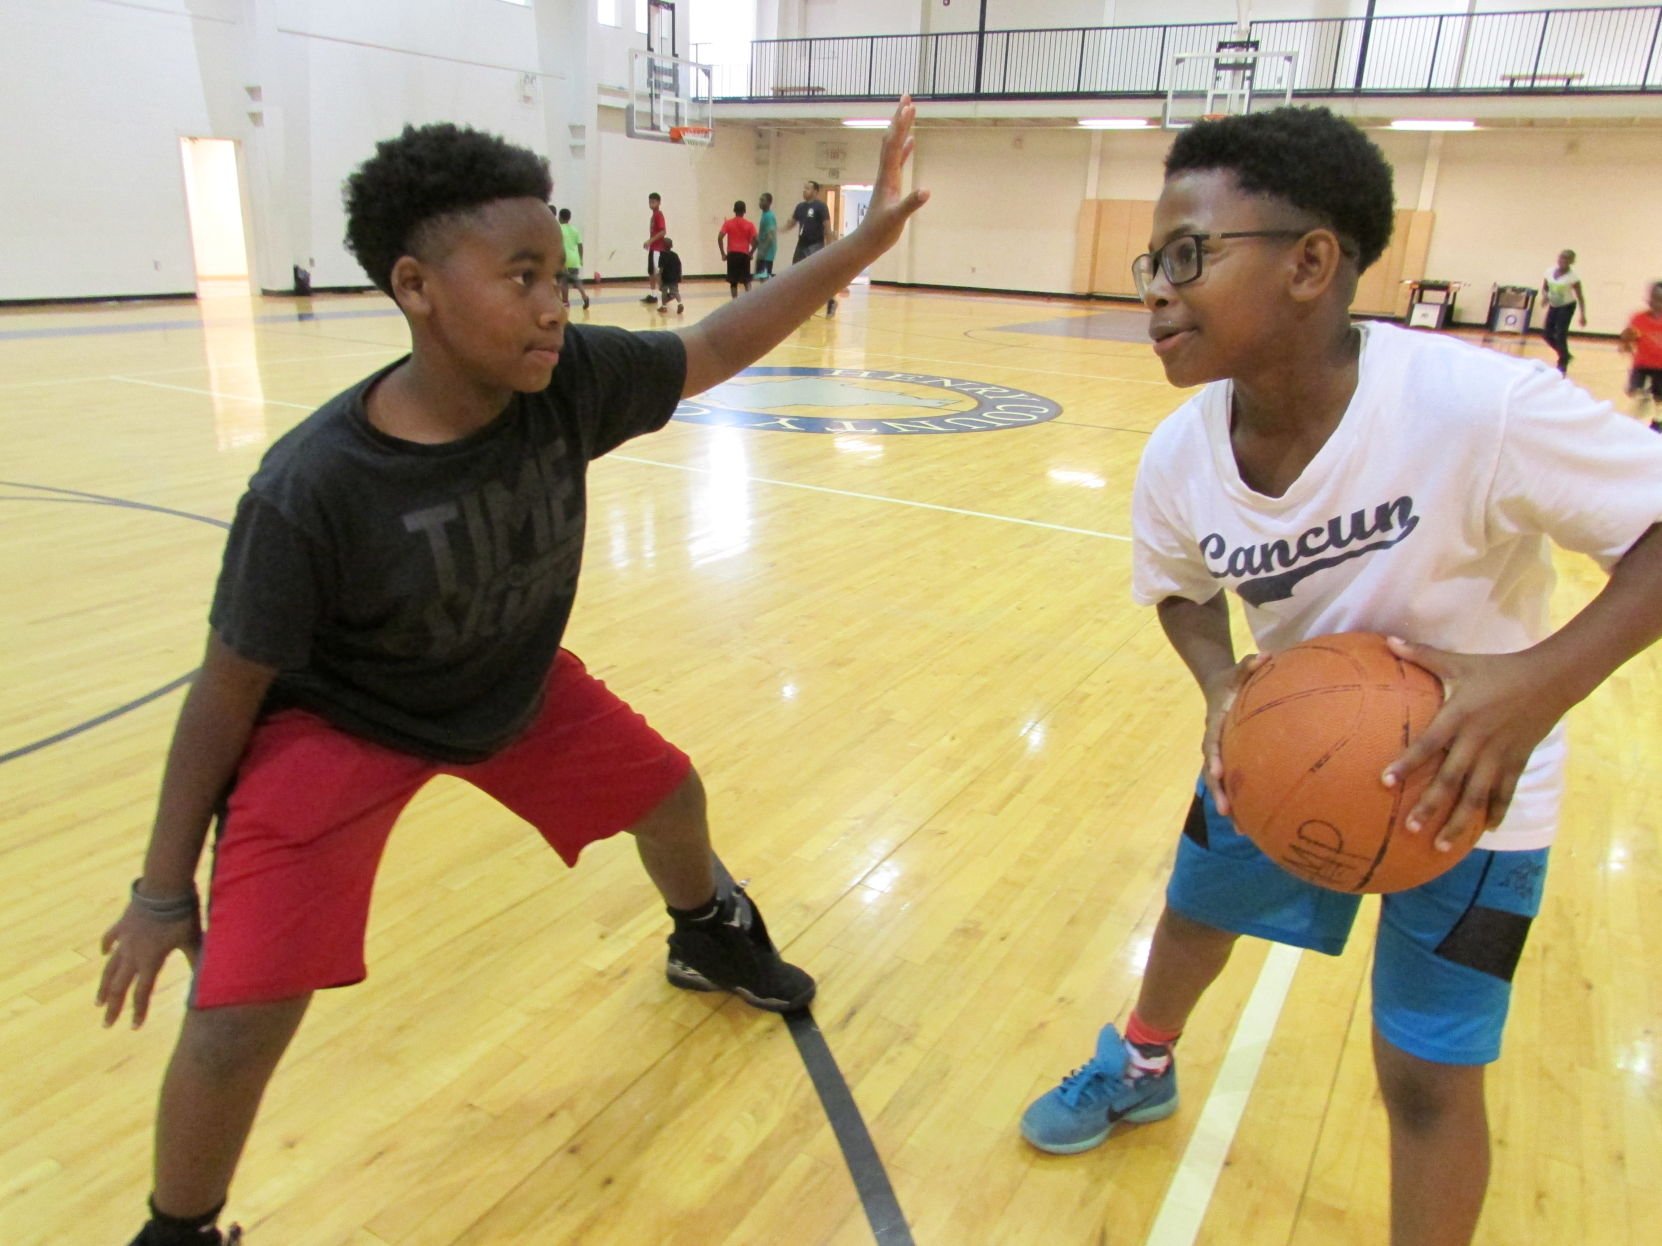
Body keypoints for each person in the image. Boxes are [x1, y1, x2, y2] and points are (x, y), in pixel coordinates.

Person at [99, 101, 930, 1246]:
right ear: (417, 287)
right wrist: (159, 886)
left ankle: (703, 932)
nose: (555, 302)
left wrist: (858, 250)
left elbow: (718, 346)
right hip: (344, 725)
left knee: (672, 794)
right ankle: (177, 1229)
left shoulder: (569, 380)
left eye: (559, 271)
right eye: (523, 274)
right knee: (240, 1010)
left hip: (510, 684)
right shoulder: (313, 488)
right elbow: (226, 689)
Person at [1019, 107, 1662, 1246]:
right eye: (1149, 263)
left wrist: (1538, 684)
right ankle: (1141, 1060)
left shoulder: (1480, 407)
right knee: (1188, 920)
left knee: (1427, 1077)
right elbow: (1177, 585)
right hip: (1283, 753)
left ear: (1312, 261)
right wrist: (1221, 683)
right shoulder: (1179, 456)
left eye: (1187, 257)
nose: (1155, 292)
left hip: (1475, 795)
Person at [783, 180, 836, 316]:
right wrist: (779, 229)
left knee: (818, 277)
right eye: (804, 188)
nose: (804, 190)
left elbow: (827, 228)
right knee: (796, 274)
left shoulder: (821, 207)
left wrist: (828, 248)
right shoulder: (800, 207)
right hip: (801, 245)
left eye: (807, 188)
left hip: (815, 245)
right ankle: (803, 306)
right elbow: (792, 223)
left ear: (815, 192)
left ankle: (830, 301)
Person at [1619, 279, 1662, 431]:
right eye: (1654, 299)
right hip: (1642, 364)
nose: (1657, 304)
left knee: (1659, 396)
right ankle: (1640, 404)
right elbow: (1630, 335)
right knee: (1633, 390)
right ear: (1649, 299)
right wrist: (1625, 342)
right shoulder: (1639, 318)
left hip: (1660, 367)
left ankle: (1658, 421)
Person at [1539, 249, 1587, 374]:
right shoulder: (1549, 271)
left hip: (1566, 306)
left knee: (1561, 334)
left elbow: (1580, 296)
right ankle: (1565, 354)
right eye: (1562, 257)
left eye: (1567, 259)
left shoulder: (1573, 278)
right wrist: (1545, 297)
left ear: (1571, 262)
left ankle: (1562, 363)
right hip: (1554, 305)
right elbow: (1545, 287)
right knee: (1547, 334)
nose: (1563, 261)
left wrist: (1582, 315)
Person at [718, 200, 758, 299]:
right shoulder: (750, 224)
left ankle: (734, 302)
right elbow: (757, 240)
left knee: (733, 282)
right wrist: (751, 252)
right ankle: (750, 300)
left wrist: (723, 253)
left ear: (734, 210)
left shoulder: (728, 223)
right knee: (746, 281)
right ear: (744, 211)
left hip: (732, 255)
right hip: (744, 255)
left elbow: (719, 237)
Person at [557, 206, 590, 310]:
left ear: (560, 217)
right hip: (574, 258)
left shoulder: (558, 229)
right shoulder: (575, 230)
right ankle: (585, 296)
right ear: (569, 218)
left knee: (563, 281)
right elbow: (580, 245)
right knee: (576, 280)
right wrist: (580, 258)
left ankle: (565, 302)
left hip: (563, 258)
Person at [641, 191, 667, 303]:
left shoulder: (659, 215)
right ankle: (653, 295)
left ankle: (666, 294)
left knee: (656, 272)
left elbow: (663, 232)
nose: (651, 204)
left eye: (654, 202)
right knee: (652, 272)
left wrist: (650, 241)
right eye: (650, 202)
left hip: (657, 249)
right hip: (653, 248)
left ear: (659, 202)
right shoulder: (653, 216)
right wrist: (649, 244)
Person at [655, 237, 684, 315]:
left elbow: (661, 269)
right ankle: (680, 303)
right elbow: (679, 265)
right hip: (675, 276)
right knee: (675, 291)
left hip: (666, 277)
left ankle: (664, 307)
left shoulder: (662, 256)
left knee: (664, 291)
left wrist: (659, 280)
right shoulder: (675, 255)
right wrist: (680, 275)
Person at [754, 192, 779, 282]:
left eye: (762, 200)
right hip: (763, 252)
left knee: (764, 278)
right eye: (760, 200)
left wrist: (763, 251)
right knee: (761, 277)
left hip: (766, 254)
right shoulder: (764, 215)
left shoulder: (769, 216)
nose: (760, 202)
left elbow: (770, 235)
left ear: (769, 202)